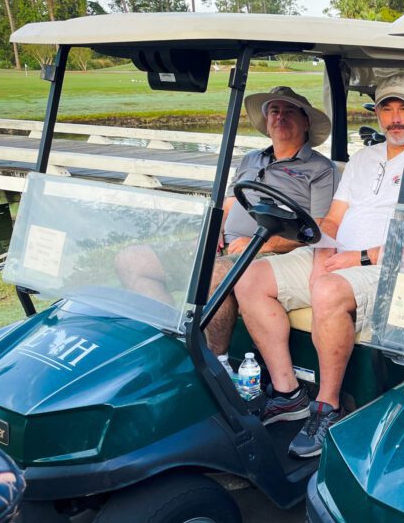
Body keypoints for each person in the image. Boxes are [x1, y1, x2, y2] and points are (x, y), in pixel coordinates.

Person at [234, 75, 404, 458]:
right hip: (340, 257)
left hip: (394, 267)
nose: (394, 118)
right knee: (249, 276)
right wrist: (322, 257)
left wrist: (356, 259)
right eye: (386, 109)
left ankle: (328, 406)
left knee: (328, 289)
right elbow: (332, 223)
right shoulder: (363, 159)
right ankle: (289, 393)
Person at [114, 86, 336, 356]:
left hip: (266, 253)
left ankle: (213, 360)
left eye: (289, 111)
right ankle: (175, 345)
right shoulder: (251, 159)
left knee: (215, 273)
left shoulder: (320, 169)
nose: (280, 117)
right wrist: (211, 232)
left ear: (306, 122)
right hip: (226, 247)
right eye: (274, 111)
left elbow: (319, 228)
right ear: (266, 122)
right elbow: (230, 205)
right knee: (131, 259)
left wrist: (259, 244)